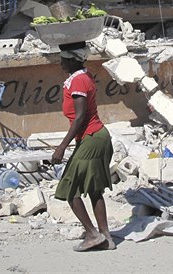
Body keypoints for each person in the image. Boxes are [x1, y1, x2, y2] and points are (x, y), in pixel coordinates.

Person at [51, 41, 115, 252]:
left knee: (69, 188)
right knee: (94, 189)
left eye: (63, 59)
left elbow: (79, 118)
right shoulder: (82, 77)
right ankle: (106, 237)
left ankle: (92, 234)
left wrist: (61, 147)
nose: (60, 63)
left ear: (72, 59)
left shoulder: (78, 81)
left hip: (92, 137)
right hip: (97, 136)